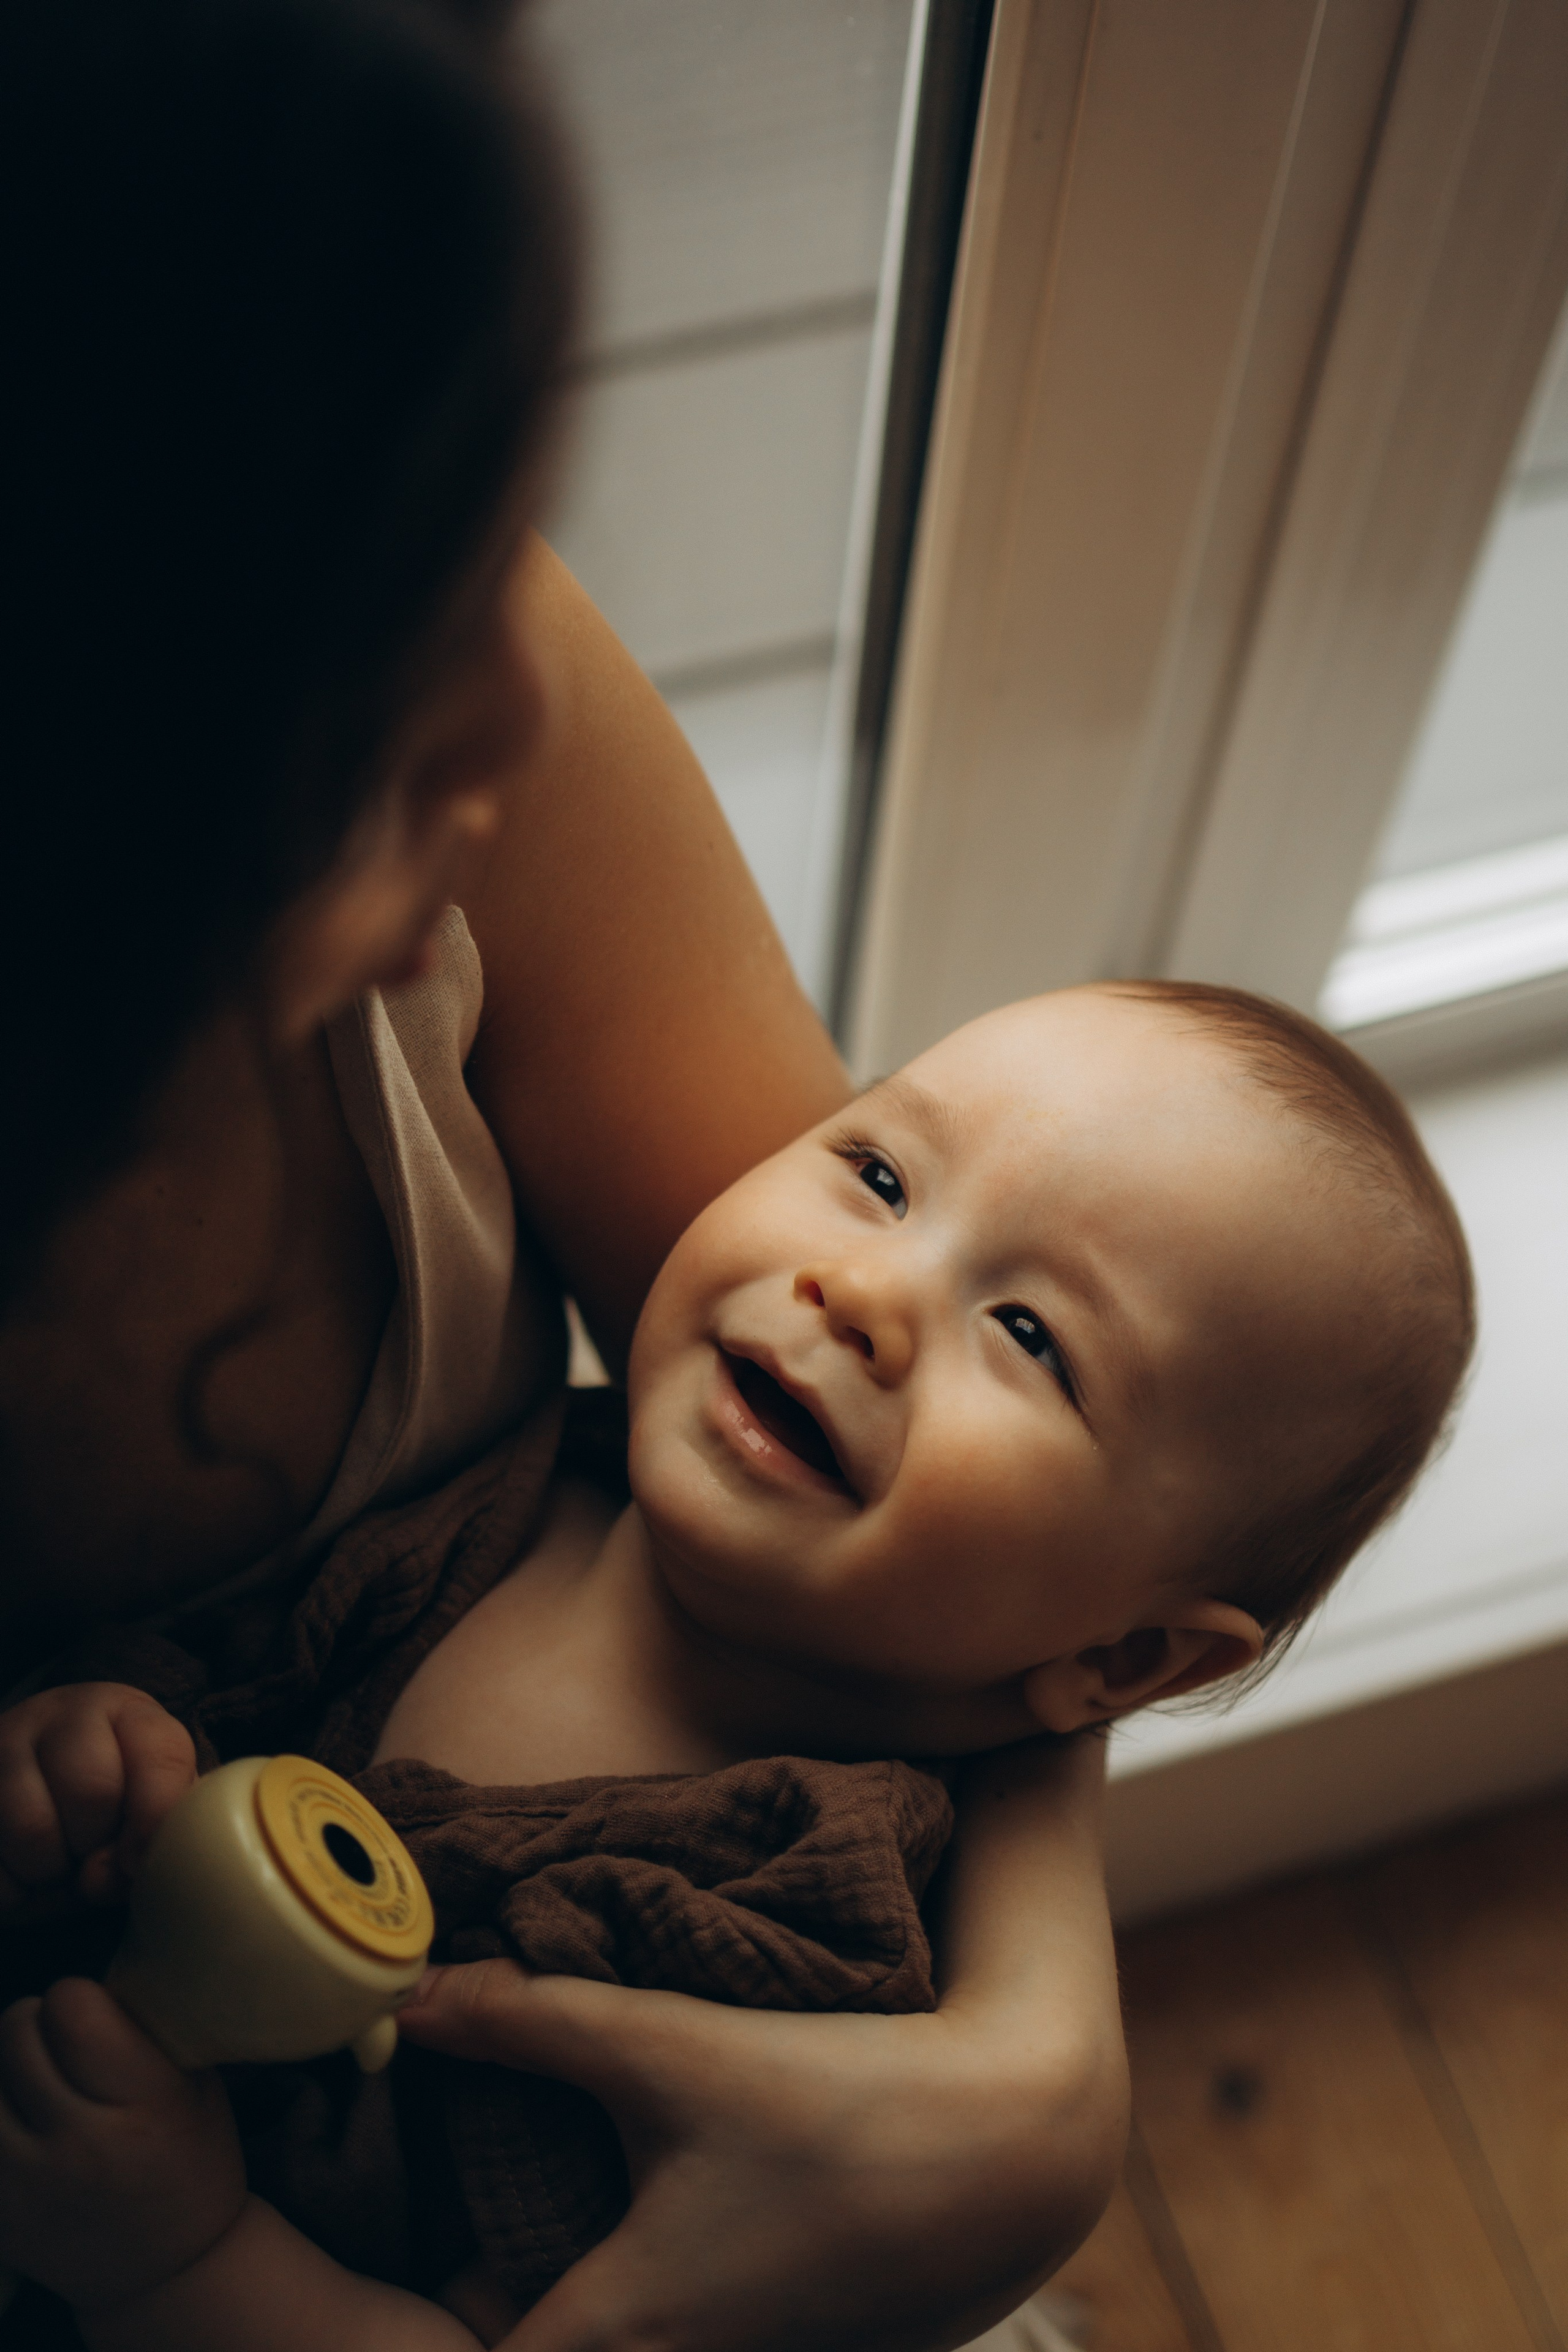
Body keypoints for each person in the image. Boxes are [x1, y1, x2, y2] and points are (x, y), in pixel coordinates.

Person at [0, 2, 1132, 2343]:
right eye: (383, 613)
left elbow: (983, 1558)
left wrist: (1040, 2069)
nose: (526, 703)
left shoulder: (420, 628)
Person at [0, 981, 1474, 2347]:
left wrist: (176, 2258)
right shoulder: (512, 1488)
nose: (862, 1291)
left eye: (1028, 1335)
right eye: (883, 1177)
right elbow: (247, 1687)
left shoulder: (786, 1955)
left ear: (1126, 1651)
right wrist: (110, 1752)